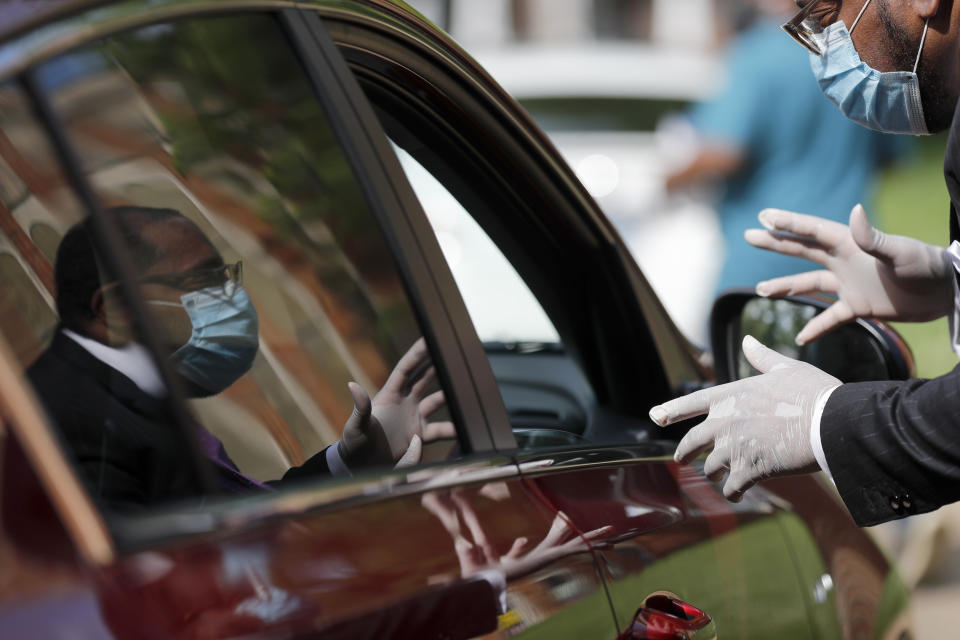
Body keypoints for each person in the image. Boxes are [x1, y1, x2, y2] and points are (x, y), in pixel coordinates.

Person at [650, 0, 960, 527]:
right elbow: (891, 156)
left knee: (783, 451)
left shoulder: (754, 60)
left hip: (763, 276)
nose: (826, 46)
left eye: (824, 12)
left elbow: (722, 149)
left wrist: (822, 423)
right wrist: (947, 282)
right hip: (846, 268)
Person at [28, 205, 453, 510]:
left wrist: (349, 460)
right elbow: (183, 588)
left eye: (226, 277)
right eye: (204, 280)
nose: (231, 297)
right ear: (115, 308)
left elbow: (236, 512)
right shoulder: (64, 426)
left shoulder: (129, 398)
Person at [665, 0, 905, 295]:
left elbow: (723, 153)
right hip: (847, 253)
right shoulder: (856, 52)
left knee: (734, 338)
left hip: (767, 255)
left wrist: (667, 181)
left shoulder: (755, 54)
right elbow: (891, 153)